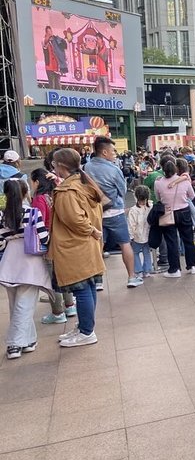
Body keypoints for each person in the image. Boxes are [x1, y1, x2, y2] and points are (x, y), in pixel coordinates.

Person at [50, 148, 105, 348]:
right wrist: (94, 232)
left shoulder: (67, 191)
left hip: (75, 246)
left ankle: (86, 332)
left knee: (81, 290)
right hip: (87, 245)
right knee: (88, 287)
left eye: (54, 164)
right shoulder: (84, 184)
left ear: (61, 166)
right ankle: (85, 327)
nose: (53, 167)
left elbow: (75, 219)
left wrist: (91, 230)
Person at [0, 180, 51, 359]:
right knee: (25, 305)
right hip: (29, 262)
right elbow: (44, 238)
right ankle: (15, 344)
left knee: (16, 304)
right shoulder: (32, 213)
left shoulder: (2, 215)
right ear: (24, 192)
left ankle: (28, 340)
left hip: (9, 262)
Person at [84, 136, 143, 288]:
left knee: (98, 246)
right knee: (125, 244)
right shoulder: (113, 169)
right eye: (112, 151)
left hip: (96, 213)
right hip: (115, 211)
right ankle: (131, 277)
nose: (114, 154)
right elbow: (122, 191)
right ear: (104, 152)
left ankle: (98, 281)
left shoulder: (86, 168)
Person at [31, 168, 77, 325]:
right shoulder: (55, 193)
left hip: (48, 242)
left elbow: (39, 223)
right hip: (61, 239)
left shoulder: (39, 199)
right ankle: (70, 306)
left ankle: (58, 312)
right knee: (63, 275)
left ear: (37, 182)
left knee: (52, 279)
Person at [155, 158, 195, 277]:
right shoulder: (184, 181)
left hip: (168, 212)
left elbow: (158, 198)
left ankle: (175, 269)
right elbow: (192, 195)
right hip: (184, 211)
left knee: (172, 241)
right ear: (176, 169)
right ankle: (192, 265)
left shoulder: (158, 182)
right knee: (188, 239)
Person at [128, 185, 154, 279]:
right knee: (146, 252)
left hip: (137, 236)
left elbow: (131, 225)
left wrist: (130, 236)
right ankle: (147, 271)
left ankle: (138, 271)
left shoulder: (133, 210)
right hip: (148, 235)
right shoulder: (151, 206)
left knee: (135, 253)